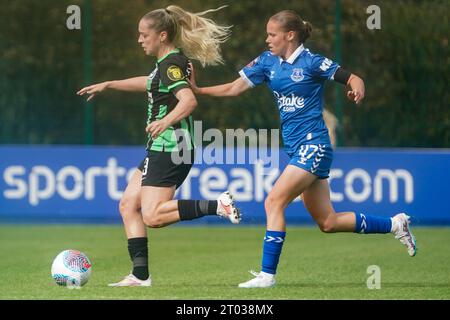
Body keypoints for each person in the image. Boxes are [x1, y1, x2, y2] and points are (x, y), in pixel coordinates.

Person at [189, 10, 417, 288]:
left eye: (272, 34)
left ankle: (267, 276)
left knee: (274, 201)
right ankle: (395, 224)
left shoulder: (312, 62)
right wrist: (199, 91)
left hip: (315, 145)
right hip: (297, 149)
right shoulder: (266, 62)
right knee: (328, 222)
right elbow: (235, 88)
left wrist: (357, 87)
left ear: (290, 35)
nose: (267, 39)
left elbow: (353, 77)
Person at [77, 5, 240, 287]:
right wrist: (110, 84)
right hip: (164, 147)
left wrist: (165, 122)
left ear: (162, 35)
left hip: (171, 147)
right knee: (129, 205)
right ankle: (140, 276)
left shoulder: (170, 65)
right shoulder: (168, 63)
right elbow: (151, 83)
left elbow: (188, 101)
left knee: (152, 215)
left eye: (144, 35)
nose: (139, 40)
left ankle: (217, 205)